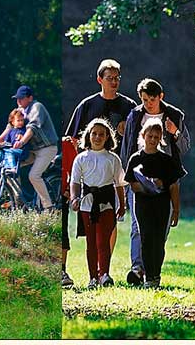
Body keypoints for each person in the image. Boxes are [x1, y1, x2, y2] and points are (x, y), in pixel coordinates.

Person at [62, 59, 137, 287]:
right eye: (109, 78)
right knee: (92, 235)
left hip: (119, 171)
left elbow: (140, 137)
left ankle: (105, 271)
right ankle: (96, 273)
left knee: (110, 226)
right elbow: (71, 140)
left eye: (117, 78)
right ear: (99, 80)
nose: (114, 82)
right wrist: (75, 173)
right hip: (91, 178)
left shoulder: (129, 106)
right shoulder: (87, 106)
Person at [119, 78, 191, 285]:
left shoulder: (174, 115)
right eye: (144, 99)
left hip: (165, 178)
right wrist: (127, 177)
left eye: (151, 99)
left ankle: (152, 267)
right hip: (139, 176)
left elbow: (186, 146)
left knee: (160, 228)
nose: (148, 103)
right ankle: (138, 269)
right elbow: (127, 147)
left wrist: (173, 132)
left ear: (161, 96)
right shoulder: (135, 115)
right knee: (137, 226)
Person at [124, 119, 187, 288]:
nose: (152, 139)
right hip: (143, 204)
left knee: (159, 240)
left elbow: (173, 186)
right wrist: (147, 186)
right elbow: (132, 183)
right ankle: (147, 276)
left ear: (161, 139)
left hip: (162, 204)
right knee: (145, 238)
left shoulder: (166, 160)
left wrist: (176, 210)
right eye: (150, 136)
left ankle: (155, 275)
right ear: (143, 136)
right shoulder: (135, 159)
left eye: (156, 137)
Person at [69, 118, 127, 288]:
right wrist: (74, 198)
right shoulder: (81, 158)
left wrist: (122, 206)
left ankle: (105, 274)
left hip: (107, 205)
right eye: (94, 134)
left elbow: (119, 184)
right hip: (87, 205)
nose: (97, 137)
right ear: (88, 135)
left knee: (103, 241)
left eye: (101, 134)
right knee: (91, 243)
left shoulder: (112, 159)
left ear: (107, 137)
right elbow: (75, 182)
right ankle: (93, 277)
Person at [0, 108, 29, 172]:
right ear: (12, 122)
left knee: (9, 151)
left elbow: (26, 138)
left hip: (22, 152)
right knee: (2, 152)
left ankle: (13, 168)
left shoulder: (24, 130)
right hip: (13, 151)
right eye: (18, 120)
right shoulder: (10, 131)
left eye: (22, 120)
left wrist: (21, 138)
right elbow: (6, 143)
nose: (20, 122)